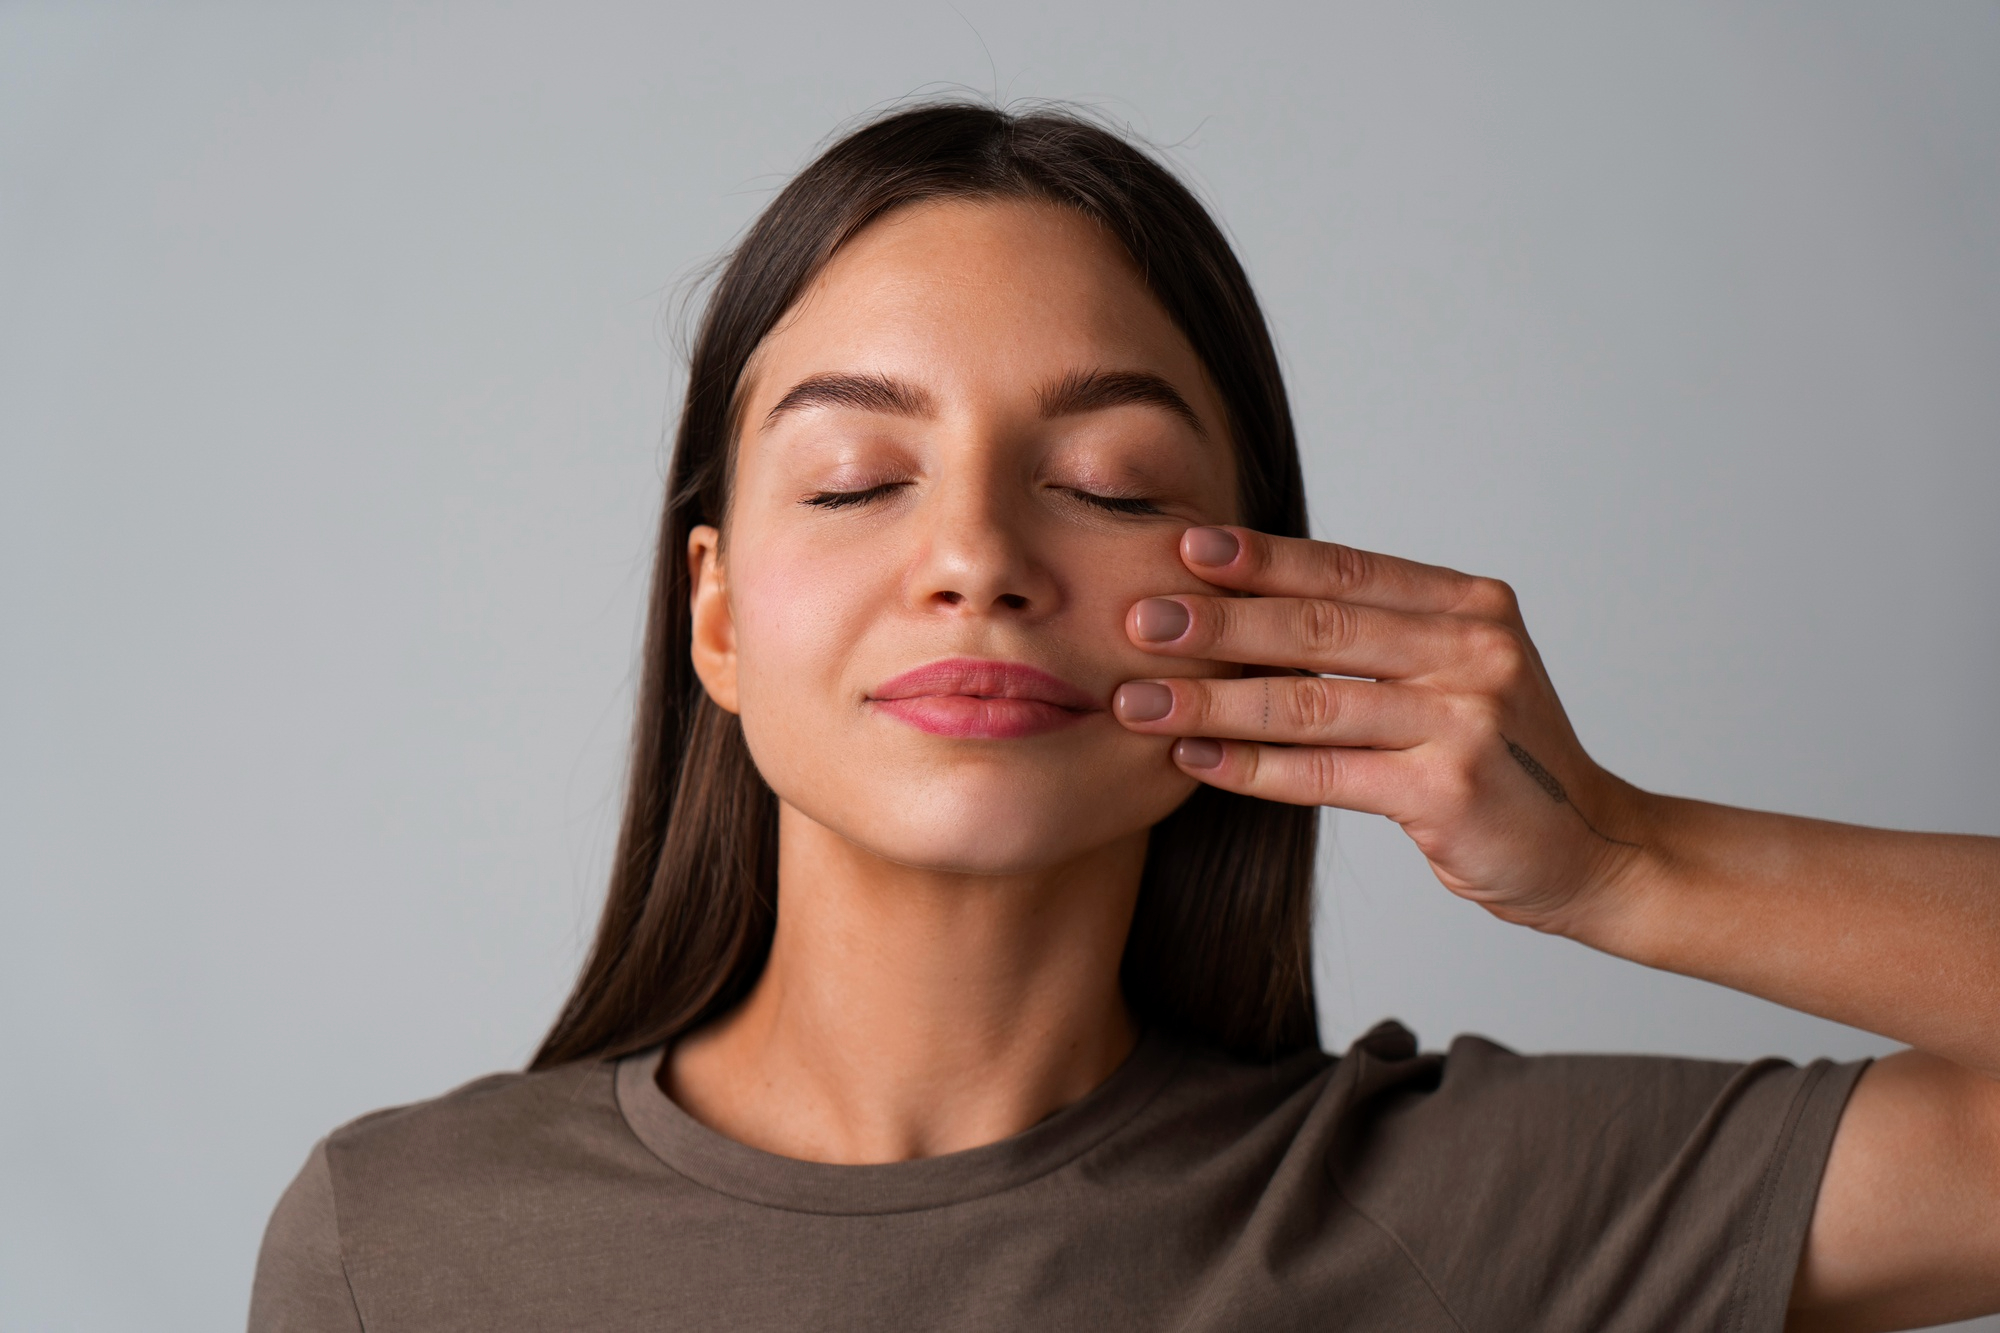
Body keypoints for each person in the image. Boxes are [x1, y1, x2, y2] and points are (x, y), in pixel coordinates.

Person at [249, 103, 2000, 1332]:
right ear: (716, 613)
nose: (977, 558)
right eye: (859, 479)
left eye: (1103, 480)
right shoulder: (396, 1246)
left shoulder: (1472, 1213)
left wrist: (1623, 857)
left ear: (1267, 600)